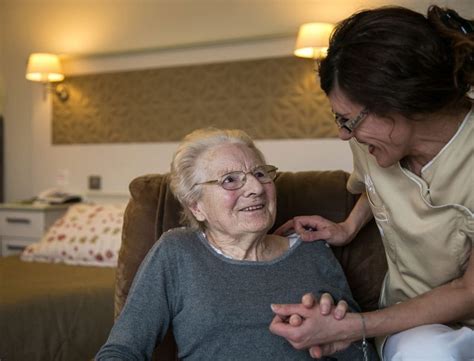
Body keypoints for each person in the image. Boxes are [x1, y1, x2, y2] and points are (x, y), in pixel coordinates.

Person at [269, 5, 474, 361]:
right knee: (425, 352)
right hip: (413, 323)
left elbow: (469, 290)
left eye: (348, 120)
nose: (343, 134)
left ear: (396, 103)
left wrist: (352, 326)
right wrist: (348, 228)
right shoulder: (373, 146)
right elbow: (378, 186)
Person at [96, 128, 378, 360]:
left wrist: (338, 335)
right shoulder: (177, 252)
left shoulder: (311, 249)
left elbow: (362, 351)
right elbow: (122, 350)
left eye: (260, 174)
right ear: (196, 206)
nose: (255, 189)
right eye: (230, 180)